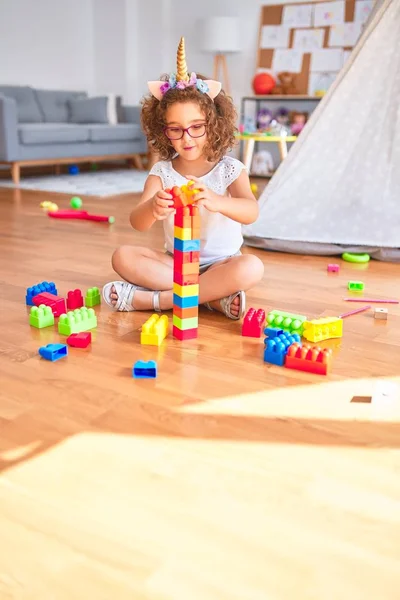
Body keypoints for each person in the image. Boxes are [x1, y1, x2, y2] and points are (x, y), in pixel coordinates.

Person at [103, 37, 264, 320]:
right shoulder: (162, 172)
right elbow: (137, 223)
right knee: (122, 256)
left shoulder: (230, 168)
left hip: (222, 264)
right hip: (175, 265)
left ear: (213, 125)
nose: (186, 138)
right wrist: (153, 208)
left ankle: (157, 301)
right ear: (162, 130)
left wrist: (216, 201)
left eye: (196, 127)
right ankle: (213, 299)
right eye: (175, 129)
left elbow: (251, 212)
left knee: (251, 267)